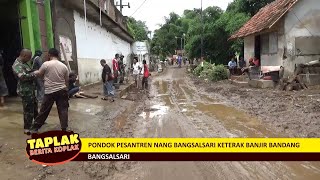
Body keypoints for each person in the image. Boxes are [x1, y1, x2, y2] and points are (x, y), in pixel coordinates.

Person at [30, 48, 69, 133]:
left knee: (44, 110)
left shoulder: (46, 64)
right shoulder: (64, 66)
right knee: (63, 109)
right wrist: (66, 89)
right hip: (62, 90)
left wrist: (34, 72)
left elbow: (40, 74)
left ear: (49, 55)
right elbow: (66, 80)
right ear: (58, 55)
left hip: (50, 91)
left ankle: (35, 128)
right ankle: (64, 128)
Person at [12, 49, 38, 135]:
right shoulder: (17, 65)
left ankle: (37, 122)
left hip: (30, 90)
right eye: (29, 57)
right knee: (28, 109)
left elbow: (28, 71)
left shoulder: (24, 63)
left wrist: (33, 71)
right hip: (25, 91)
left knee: (34, 106)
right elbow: (23, 77)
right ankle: (27, 127)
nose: (30, 59)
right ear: (24, 56)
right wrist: (36, 74)